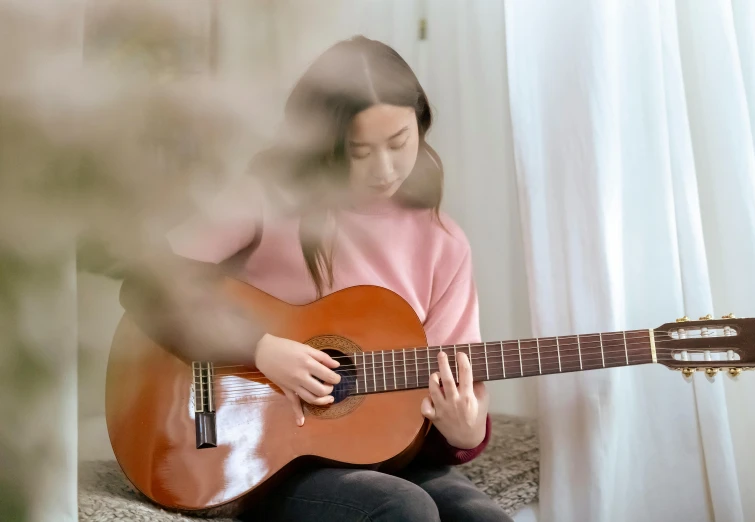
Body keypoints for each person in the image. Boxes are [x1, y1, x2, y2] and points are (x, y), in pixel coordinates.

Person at [119, 36, 512, 522]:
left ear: (421, 127)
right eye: (359, 151)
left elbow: (455, 388)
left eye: (399, 143)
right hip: (267, 453)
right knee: (403, 510)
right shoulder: (268, 198)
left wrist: (466, 432)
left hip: (390, 453)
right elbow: (149, 284)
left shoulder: (444, 243)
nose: (384, 168)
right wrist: (261, 348)